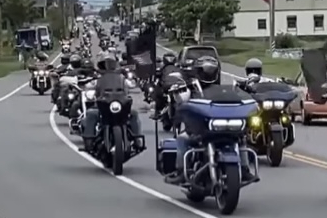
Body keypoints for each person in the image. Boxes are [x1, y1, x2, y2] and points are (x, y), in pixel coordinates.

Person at [165, 56, 256, 184]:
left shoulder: (226, 90)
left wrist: (247, 95)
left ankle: (244, 170)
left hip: (222, 128)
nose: (208, 73)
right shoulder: (191, 88)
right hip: (199, 130)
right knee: (182, 139)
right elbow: (180, 101)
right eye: (205, 71)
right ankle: (181, 171)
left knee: (241, 139)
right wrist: (177, 93)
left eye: (211, 70)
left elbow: (240, 97)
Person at [81, 54, 143, 150]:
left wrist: (134, 81)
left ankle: (137, 139)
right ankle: (89, 141)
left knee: (133, 113)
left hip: (120, 104)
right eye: (105, 64)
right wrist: (86, 83)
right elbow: (88, 85)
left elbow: (131, 84)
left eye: (110, 64)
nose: (108, 66)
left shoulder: (121, 78)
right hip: (104, 107)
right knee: (91, 114)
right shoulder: (98, 79)